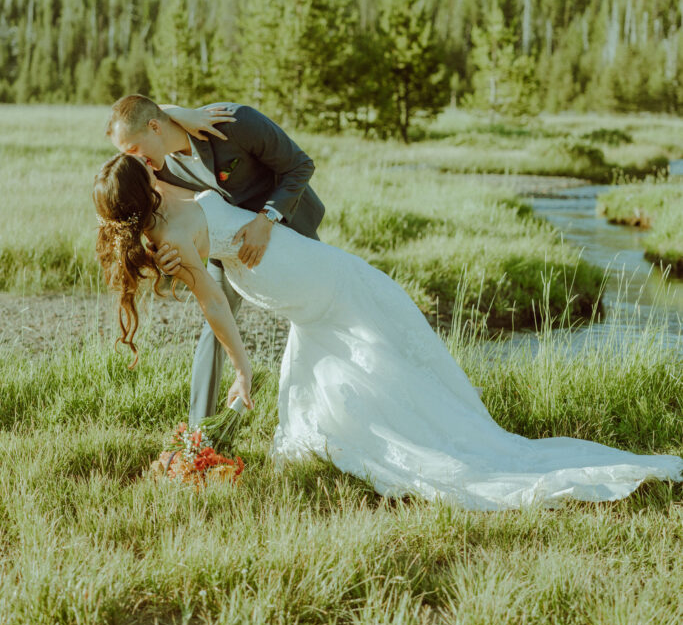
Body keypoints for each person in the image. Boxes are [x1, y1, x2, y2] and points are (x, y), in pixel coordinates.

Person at [93, 153, 683, 511]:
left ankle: (430, 442)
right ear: (144, 190)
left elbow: (216, 306)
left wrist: (243, 369)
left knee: (379, 362)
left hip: (310, 283)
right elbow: (212, 297)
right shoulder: (169, 214)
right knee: (370, 363)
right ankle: (411, 431)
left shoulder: (164, 225)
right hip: (309, 280)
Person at [106, 94, 324, 425]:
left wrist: (265, 221)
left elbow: (300, 165)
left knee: (315, 313)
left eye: (134, 150)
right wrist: (157, 256)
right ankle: (199, 433)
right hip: (227, 251)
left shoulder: (234, 123)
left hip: (287, 229)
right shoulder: (156, 167)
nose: (134, 161)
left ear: (154, 127)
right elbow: (146, 211)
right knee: (216, 325)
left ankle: (318, 410)